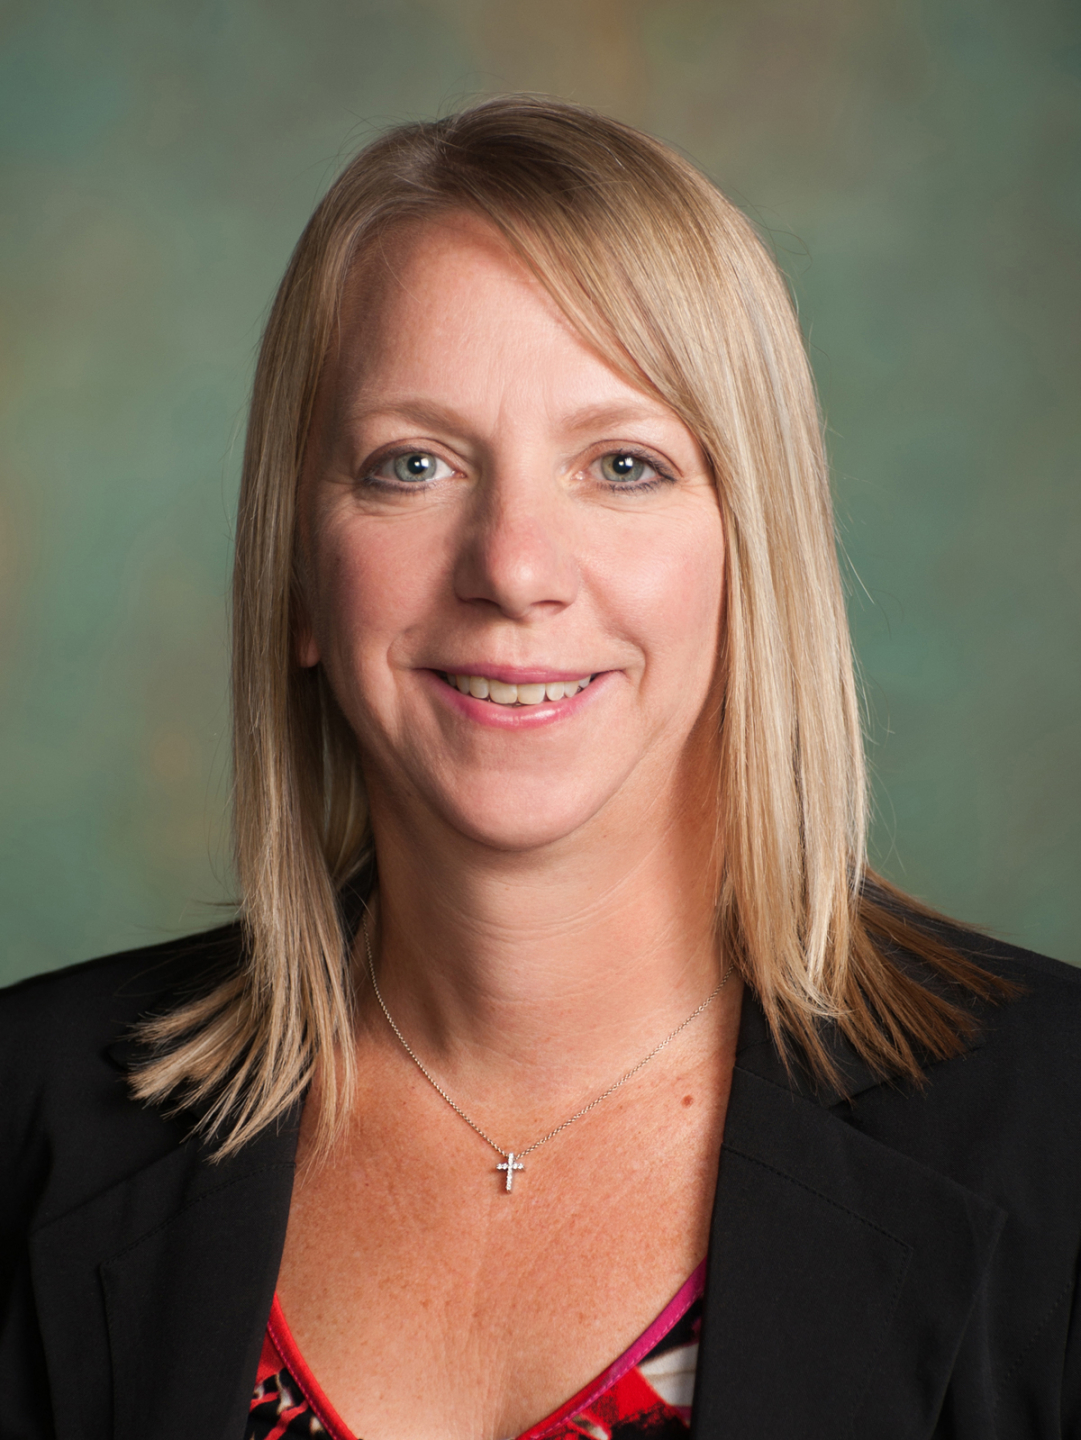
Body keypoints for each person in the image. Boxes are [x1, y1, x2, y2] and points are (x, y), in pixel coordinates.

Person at [2, 95, 1079, 1440]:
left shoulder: (1058, 1130)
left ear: (755, 565)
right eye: (413, 464)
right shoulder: (26, 1117)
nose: (511, 567)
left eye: (621, 464)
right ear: (297, 574)